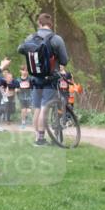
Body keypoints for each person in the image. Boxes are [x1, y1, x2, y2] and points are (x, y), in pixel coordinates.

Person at [18, 12, 69, 146]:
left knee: (36, 107)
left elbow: (20, 49)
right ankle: (41, 139)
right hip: (50, 79)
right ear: (50, 25)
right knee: (45, 107)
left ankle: (37, 137)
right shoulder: (56, 39)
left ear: (39, 23)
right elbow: (64, 60)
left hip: (34, 78)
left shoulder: (30, 37)